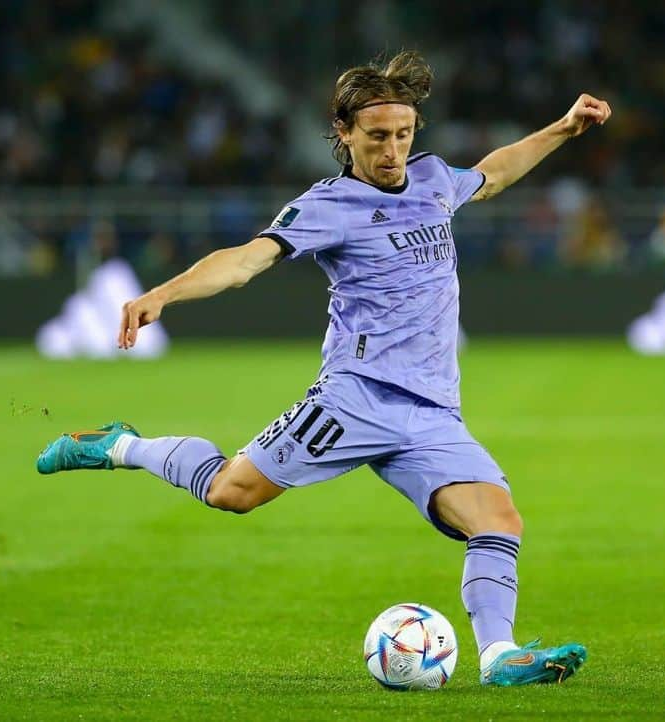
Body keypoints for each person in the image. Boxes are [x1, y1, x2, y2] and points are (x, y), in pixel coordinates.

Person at [37, 51, 611, 687]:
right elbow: (244, 261)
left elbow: (491, 175)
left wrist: (562, 129)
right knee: (233, 492)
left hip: (432, 412)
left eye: (403, 134)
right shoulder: (326, 205)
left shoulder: (431, 179)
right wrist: (162, 294)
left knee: (499, 521)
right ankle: (123, 446)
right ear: (344, 134)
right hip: (354, 398)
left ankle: (499, 656)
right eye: (377, 138)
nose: (393, 151)